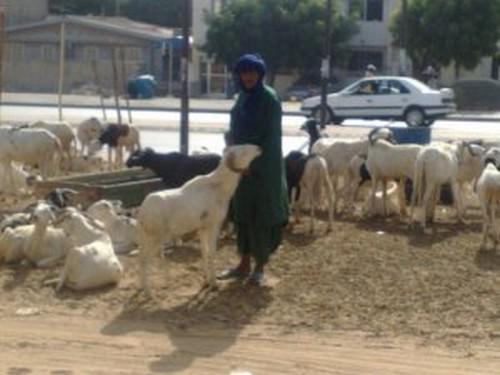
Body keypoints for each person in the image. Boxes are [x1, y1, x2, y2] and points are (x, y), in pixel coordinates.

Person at [217, 53, 289, 286]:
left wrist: (253, 165)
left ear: (260, 74)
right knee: (242, 215)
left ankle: (260, 267)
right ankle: (243, 263)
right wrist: (232, 154)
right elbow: (234, 130)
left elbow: (270, 138)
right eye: (243, 72)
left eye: (252, 72)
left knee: (261, 217)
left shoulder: (269, 99)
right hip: (240, 169)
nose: (248, 76)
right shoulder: (241, 99)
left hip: (262, 169)